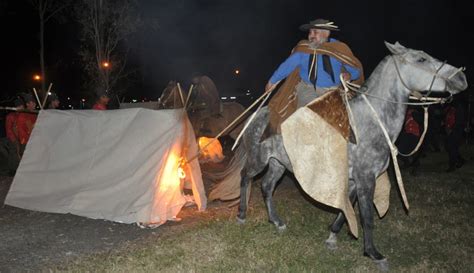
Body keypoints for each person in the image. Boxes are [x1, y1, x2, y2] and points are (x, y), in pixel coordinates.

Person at [265, 18, 363, 132]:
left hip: (333, 93)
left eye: (315, 32)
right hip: (308, 89)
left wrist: (349, 75)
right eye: (310, 32)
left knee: (344, 123)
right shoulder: (304, 49)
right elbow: (287, 66)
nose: (311, 35)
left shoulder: (339, 49)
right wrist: (272, 81)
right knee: (309, 116)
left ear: (326, 33)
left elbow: (355, 70)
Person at [444, 95, 467, 172]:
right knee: (449, 147)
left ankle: (452, 166)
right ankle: (460, 160)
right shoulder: (451, 107)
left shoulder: (459, 107)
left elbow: (459, 121)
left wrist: (452, 129)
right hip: (450, 130)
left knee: (452, 148)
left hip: (456, 130)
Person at [16, 93, 38, 157]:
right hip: (26, 142)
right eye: (32, 102)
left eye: (35, 102)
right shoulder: (22, 115)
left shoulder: (35, 114)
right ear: (27, 104)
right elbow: (21, 131)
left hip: (35, 141)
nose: (34, 104)